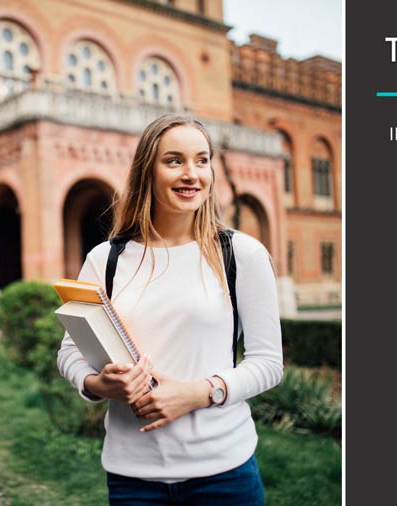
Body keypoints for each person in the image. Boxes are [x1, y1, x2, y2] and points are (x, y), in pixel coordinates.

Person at [57, 113, 283, 505]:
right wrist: (97, 385)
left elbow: (268, 363)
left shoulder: (241, 254)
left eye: (202, 160)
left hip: (224, 473)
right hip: (133, 478)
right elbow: (70, 351)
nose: (191, 173)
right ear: (148, 171)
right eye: (174, 160)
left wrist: (200, 393)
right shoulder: (104, 259)